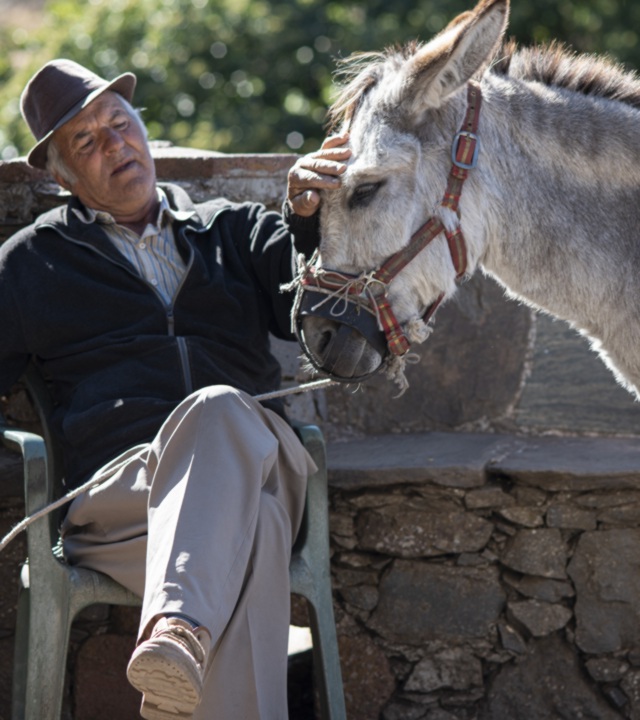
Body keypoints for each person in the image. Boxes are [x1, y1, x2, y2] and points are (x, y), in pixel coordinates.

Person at [0, 58, 350, 719]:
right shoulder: (31, 263)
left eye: (120, 123)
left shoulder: (232, 230)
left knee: (218, 410)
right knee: (252, 543)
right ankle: (177, 649)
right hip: (123, 500)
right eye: (87, 141)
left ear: (142, 128)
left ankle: (177, 631)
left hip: (257, 462)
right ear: (60, 175)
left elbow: (311, 297)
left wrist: (308, 214)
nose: (116, 146)